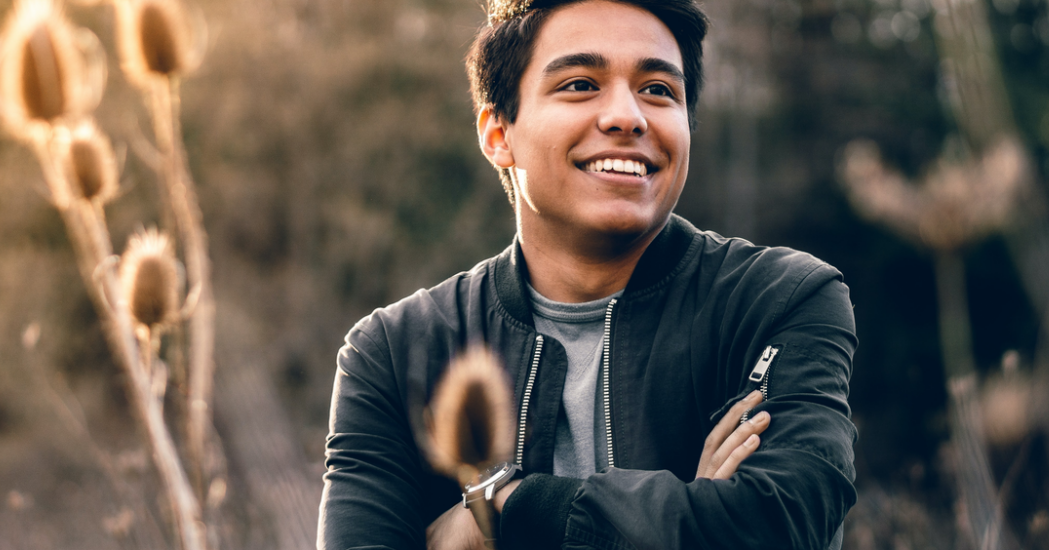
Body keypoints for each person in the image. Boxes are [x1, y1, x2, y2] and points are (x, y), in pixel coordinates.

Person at [316, 0, 858, 548]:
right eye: (579, 84)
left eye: (658, 90)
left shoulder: (777, 300)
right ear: (498, 133)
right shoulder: (395, 351)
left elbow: (783, 525)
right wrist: (689, 512)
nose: (628, 115)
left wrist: (502, 510)